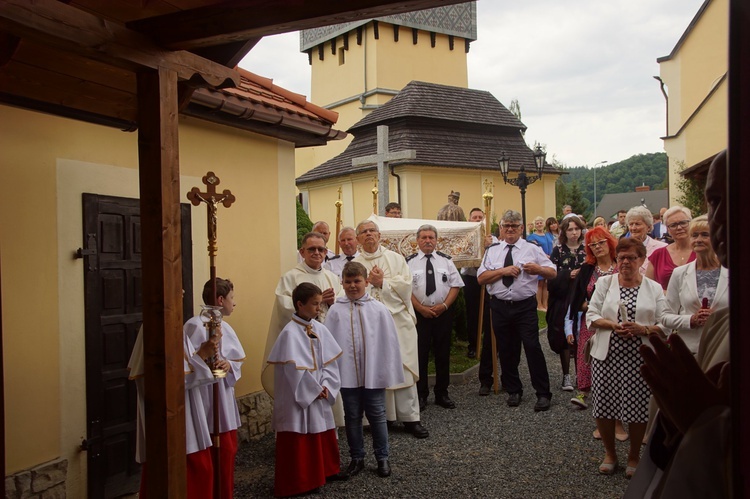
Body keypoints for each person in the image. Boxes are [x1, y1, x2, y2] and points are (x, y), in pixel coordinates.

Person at [625, 150, 731, 499]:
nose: (717, 221)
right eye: (713, 202)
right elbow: (665, 312)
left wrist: (704, 421)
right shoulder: (681, 274)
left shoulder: (729, 281)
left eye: (722, 200)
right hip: (687, 350)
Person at [586, 237, 667, 477]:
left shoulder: (653, 288)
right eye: (621, 257)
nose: (625, 262)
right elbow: (591, 315)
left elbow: (666, 323)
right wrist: (612, 325)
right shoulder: (605, 283)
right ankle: (610, 453)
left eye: (632, 258)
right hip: (606, 355)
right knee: (604, 405)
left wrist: (645, 329)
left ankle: (634, 455)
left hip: (640, 357)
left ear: (642, 260)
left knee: (638, 406)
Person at [324, 262, 404, 478]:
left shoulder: (378, 309)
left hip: (373, 373)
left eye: (357, 281)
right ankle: (357, 457)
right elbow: (328, 343)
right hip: (347, 374)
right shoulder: (335, 311)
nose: (352, 286)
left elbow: (389, 343)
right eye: (348, 282)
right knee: (352, 416)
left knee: (377, 415)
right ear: (342, 283)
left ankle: (382, 458)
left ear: (366, 282)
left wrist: (385, 371)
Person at [267, 283, 344, 497]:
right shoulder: (289, 333)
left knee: (322, 431)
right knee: (300, 439)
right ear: (300, 304)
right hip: (298, 397)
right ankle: (300, 482)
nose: (319, 308)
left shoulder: (320, 329)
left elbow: (330, 363)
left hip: (320, 392)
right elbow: (293, 371)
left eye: (320, 304)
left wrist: (327, 386)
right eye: (315, 304)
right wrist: (313, 389)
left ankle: (326, 471)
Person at [353, 220, 429, 438]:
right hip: (369, 327)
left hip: (397, 322)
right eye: (363, 232)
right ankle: (380, 418)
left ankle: (411, 419)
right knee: (375, 370)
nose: (368, 235)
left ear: (379, 236)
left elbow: (407, 287)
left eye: (372, 231)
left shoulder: (395, 259)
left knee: (403, 368)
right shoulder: (355, 264)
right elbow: (348, 290)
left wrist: (382, 282)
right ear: (358, 239)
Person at [478, 210, 557, 411]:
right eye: (506, 226)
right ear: (501, 229)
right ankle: (514, 390)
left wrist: (538, 270)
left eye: (514, 226)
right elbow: (481, 278)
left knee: (532, 347)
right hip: (500, 306)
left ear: (522, 228)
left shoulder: (532, 248)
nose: (510, 229)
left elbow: (552, 271)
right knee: (506, 349)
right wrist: (503, 271)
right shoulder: (493, 250)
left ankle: (543, 393)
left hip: (524, 307)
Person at [129, 323, 218, 499]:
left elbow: (187, 367)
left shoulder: (175, 326)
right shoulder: (157, 328)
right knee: (191, 473)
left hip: (189, 412)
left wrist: (208, 361)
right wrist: (201, 356)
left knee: (202, 470)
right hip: (176, 421)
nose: (182, 293)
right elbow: (166, 382)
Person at [184, 278, 245, 499]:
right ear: (220, 300)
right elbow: (188, 365)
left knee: (226, 452)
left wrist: (229, 365)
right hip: (204, 398)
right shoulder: (193, 326)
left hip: (223, 397)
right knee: (208, 454)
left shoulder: (225, 327)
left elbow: (237, 360)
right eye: (232, 298)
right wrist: (205, 360)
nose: (234, 303)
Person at [261, 232, 342, 396]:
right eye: (311, 249)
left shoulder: (332, 278)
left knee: (326, 382)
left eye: (321, 249)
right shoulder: (291, 277)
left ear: (326, 252)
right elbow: (283, 305)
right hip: (301, 344)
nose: (317, 253)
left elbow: (341, 306)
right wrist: (316, 302)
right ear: (302, 252)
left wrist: (333, 302)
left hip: (326, 341)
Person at [406, 224, 464, 410]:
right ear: (417, 241)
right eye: (423, 237)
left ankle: (442, 393)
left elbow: (455, 285)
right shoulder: (409, 262)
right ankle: (421, 394)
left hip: (442, 314)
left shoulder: (446, 261)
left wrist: (445, 305)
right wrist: (419, 308)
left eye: (431, 237)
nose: (428, 240)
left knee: (442, 354)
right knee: (420, 355)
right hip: (419, 315)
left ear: (436, 240)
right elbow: (405, 289)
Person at [660, 215, 728, 356]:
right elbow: (665, 316)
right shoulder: (679, 273)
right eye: (694, 235)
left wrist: (716, 318)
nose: (698, 240)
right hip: (690, 352)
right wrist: (691, 320)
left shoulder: (732, 272)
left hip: (725, 350)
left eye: (704, 235)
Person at [547, 216, 586, 392]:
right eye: (570, 229)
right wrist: (568, 274)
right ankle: (566, 375)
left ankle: (581, 374)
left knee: (581, 335)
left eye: (576, 229)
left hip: (582, 298)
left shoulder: (587, 250)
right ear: (564, 231)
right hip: (562, 298)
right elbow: (551, 277)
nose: (574, 232)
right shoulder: (558, 250)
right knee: (563, 337)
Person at [645, 206, 695, 290]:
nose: (679, 228)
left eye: (683, 223)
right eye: (673, 225)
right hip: (665, 302)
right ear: (668, 229)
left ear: (691, 224)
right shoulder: (658, 255)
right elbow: (648, 288)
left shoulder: (702, 252)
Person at [625, 205, 667, 274]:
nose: (633, 228)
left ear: (648, 227)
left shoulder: (662, 248)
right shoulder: (623, 248)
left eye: (637, 224)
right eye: (631, 224)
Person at [526, 216, 553, 311]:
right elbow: (534, 248)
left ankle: (545, 303)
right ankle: (539, 304)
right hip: (540, 260)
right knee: (540, 283)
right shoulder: (532, 236)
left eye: (540, 222)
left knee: (546, 283)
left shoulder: (548, 235)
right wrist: (544, 255)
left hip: (549, 260)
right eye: (537, 223)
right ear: (535, 225)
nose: (539, 225)